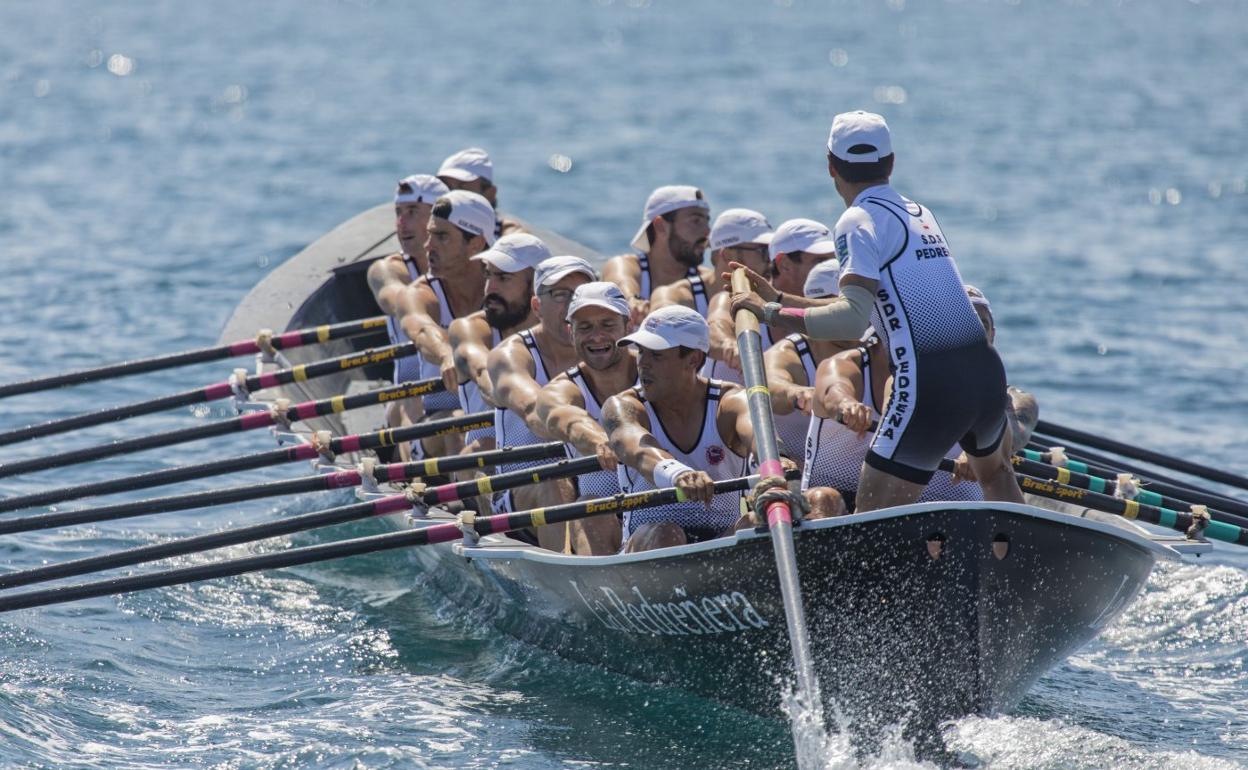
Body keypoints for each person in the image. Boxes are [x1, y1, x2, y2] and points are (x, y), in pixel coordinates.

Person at [730, 110, 1024, 510]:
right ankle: (1023, 568)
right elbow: (875, 306)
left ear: (830, 165)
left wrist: (770, 316)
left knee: (873, 515)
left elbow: (851, 319)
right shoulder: (921, 214)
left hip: (929, 382)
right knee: (997, 478)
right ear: (892, 163)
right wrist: (780, 300)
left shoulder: (856, 220)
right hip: (985, 374)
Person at [601, 306, 841, 554]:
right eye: (641, 352)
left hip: (722, 543)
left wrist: (776, 462)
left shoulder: (731, 400)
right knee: (667, 533)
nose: (643, 364)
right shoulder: (624, 405)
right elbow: (633, 446)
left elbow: (758, 433)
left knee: (812, 503)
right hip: (650, 543)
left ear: (693, 359)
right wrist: (677, 474)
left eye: (656, 356)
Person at [486, 255, 597, 547]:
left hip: (587, 485)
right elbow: (537, 414)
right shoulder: (511, 355)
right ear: (537, 306)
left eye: (581, 296)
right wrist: (594, 438)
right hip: (521, 490)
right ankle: (570, 580)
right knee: (554, 484)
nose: (573, 305)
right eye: (561, 295)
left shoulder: (601, 349)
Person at [534, 282, 637, 554]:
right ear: (571, 333)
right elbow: (568, 420)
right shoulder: (560, 390)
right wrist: (603, 441)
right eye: (585, 327)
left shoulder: (657, 373)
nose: (597, 337)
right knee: (588, 507)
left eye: (607, 324)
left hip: (663, 517)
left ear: (629, 325)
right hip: (603, 518)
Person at [395, 190, 495, 460]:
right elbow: (422, 328)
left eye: (441, 237)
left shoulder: (505, 293)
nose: (428, 246)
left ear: (476, 243)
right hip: (434, 425)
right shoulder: (417, 294)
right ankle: (455, 502)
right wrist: (448, 353)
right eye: (429, 235)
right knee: (456, 426)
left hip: (495, 427)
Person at [447, 233, 551, 456]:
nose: (489, 289)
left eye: (503, 278)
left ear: (536, 288)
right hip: (490, 467)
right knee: (481, 447)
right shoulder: (469, 329)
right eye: (488, 276)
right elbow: (488, 379)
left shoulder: (564, 334)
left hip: (553, 463)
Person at [703, 216, 838, 384]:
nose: (833, 268)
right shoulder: (737, 299)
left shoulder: (835, 314)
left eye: (835, 259)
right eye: (820, 261)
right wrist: (731, 347)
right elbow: (714, 330)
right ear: (784, 264)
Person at [366, 174, 450, 432]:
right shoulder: (387, 270)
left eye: (412, 211)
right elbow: (403, 303)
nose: (401, 223)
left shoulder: (475, 270)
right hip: (409, 397)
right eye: (398, 212)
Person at [761, 260, 859, 466]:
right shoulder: (787, 352)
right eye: (843, 309)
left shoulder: (875, 346)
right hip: (794, 466)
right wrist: (797, 395)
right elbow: (770, 384)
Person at [603, 185, 712, 320]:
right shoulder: (626, 266)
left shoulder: (709, 281)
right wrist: (632, 300)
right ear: (660, 226)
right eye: (696, 221)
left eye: (707, 221)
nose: (708, 232)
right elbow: (622, 281)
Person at [436, 147, 523, 239]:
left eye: (462, 188)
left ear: (490, 194)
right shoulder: (426, 229)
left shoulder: (510, 236)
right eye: (446, 187)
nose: (451, 195)